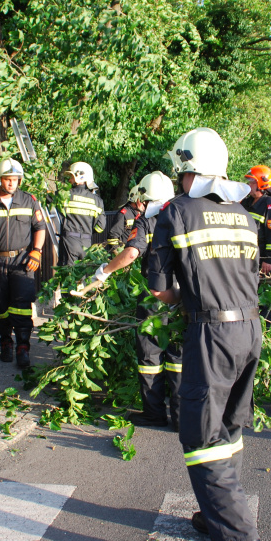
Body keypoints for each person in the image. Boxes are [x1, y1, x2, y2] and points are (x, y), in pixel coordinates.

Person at [149, 127, 270, 541]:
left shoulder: (176, 211)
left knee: (200, 436)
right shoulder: (244, 213)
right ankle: (215, 512)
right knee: (230, 425)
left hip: (211, 334)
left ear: (186, 170)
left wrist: (181, 297)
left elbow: (158, 286)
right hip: (250, 329)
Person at [90, 172, 181, 429]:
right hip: (183, 295)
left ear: (144, 195)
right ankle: (181, 414)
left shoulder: (145, 221)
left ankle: (154, 412)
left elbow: (131, 253)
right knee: (178, 354)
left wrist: (105, 271)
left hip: (155, 296)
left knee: (151, 353)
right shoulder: (184, 214)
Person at [0, 158, 47, 369]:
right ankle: (6, 341)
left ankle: (23, 346)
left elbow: (39, 227)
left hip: (22, 261)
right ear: (0, 180)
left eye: (15, 179)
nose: (12, 183)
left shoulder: (29, 200)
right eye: (8, 179)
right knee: (0, 305)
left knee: (22, 306)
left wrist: (37, 252)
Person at [58, 162, 105, 265]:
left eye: (72, 177)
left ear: (79, 177)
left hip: (69, 241)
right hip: (86, 244)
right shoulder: (97, 201)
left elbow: (49, 199)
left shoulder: (65, 195)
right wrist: (88, 232)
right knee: (82, 276)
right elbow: (101, 227)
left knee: (68, 276)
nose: (70, 180)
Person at [241, 165, 271, 278]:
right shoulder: (246, 202)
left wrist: (268, 259)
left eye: (252, 182)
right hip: (247, 255)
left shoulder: (269, 205)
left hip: (261, 258)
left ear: (261, 184)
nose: (249, 185)